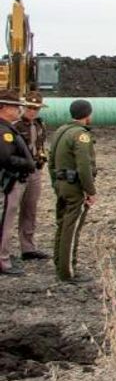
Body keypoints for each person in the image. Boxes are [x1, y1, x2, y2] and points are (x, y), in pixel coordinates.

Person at [49, 99, 97, 283]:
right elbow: (84, 166)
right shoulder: (80, 135)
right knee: (72, 227)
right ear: (87, 115)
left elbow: (51, 161)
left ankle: (59, 263)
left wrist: (55, 184)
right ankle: (67, 271)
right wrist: (90, 191)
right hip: (74, 186)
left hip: (61, 184)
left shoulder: (60, 131)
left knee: (62, 225)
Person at [0, 90, 36, 276]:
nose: (18, 110)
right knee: (5, 221)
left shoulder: (8, 127)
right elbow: (5, 158)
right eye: (14, 107)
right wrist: (28, 163)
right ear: (4, 108)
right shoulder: (4, 131)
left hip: (12, 179)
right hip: (9, 180)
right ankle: (2, 261)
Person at [13, 91, 50, 261]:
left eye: (36, 108)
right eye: (29, 108)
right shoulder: (14, 125)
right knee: (8, 209)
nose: (32, 111)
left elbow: (40, 145)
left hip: (34, 169)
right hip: (16, 170)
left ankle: (28, 247)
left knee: (30, 209)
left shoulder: (39, 125)